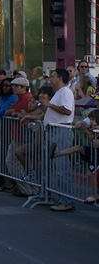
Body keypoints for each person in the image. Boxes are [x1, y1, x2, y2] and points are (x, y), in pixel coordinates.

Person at [44, 68, 76, 212]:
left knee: (62, 167)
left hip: (61, 131)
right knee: (57, 167)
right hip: (54, 131)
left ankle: (66, 200)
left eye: (53, 77)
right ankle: (61, 197)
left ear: (60, 78)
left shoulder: (65, 92)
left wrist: (49, 105)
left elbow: (67, 110)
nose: (50, 80)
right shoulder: (59, 93)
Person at [52, 110, 99, 204]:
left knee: (90, 174)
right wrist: (84, 126)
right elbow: (80, 126)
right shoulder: (92, 127)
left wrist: (87, 132)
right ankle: (57, 153)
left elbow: (94, 142)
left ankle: (94, 194)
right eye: (90, 119)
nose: (91, 122)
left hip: (97, 154)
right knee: (77, 148)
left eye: (93, 120)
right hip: (93, 151)